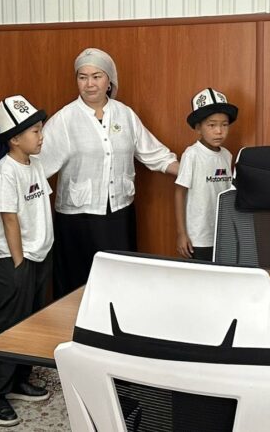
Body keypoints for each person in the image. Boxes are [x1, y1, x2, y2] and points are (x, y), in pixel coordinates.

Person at [38, 47, 179, 299]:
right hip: (77, 219)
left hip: (119, 215)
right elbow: (36, 167)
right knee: (78, 288)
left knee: (119, 284)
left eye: (97, 76)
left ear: (109, 79)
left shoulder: (125, 114)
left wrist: (190, 172)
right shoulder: (65, 119)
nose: (89, 84)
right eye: (83, 77)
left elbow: (154, 154)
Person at [0, 95, 55, 427]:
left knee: (32, 321)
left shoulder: (34, 164)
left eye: (40, 130)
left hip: (40, 255)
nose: (41, 136)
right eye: (35, 131)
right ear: (14, 138)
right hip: (16, 260)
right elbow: (9, 218)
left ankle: (20, 379)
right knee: (8, 324)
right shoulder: (5, 171)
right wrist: (17, 263)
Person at [174, 89, 237, 262]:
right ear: (198, 128)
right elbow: (179, 193)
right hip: (199, 237)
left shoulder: (227, 155)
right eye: (212, 125)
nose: (219, 131)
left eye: (224, 125)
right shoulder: (192, 154)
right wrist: (181, 234)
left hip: (222, 233)